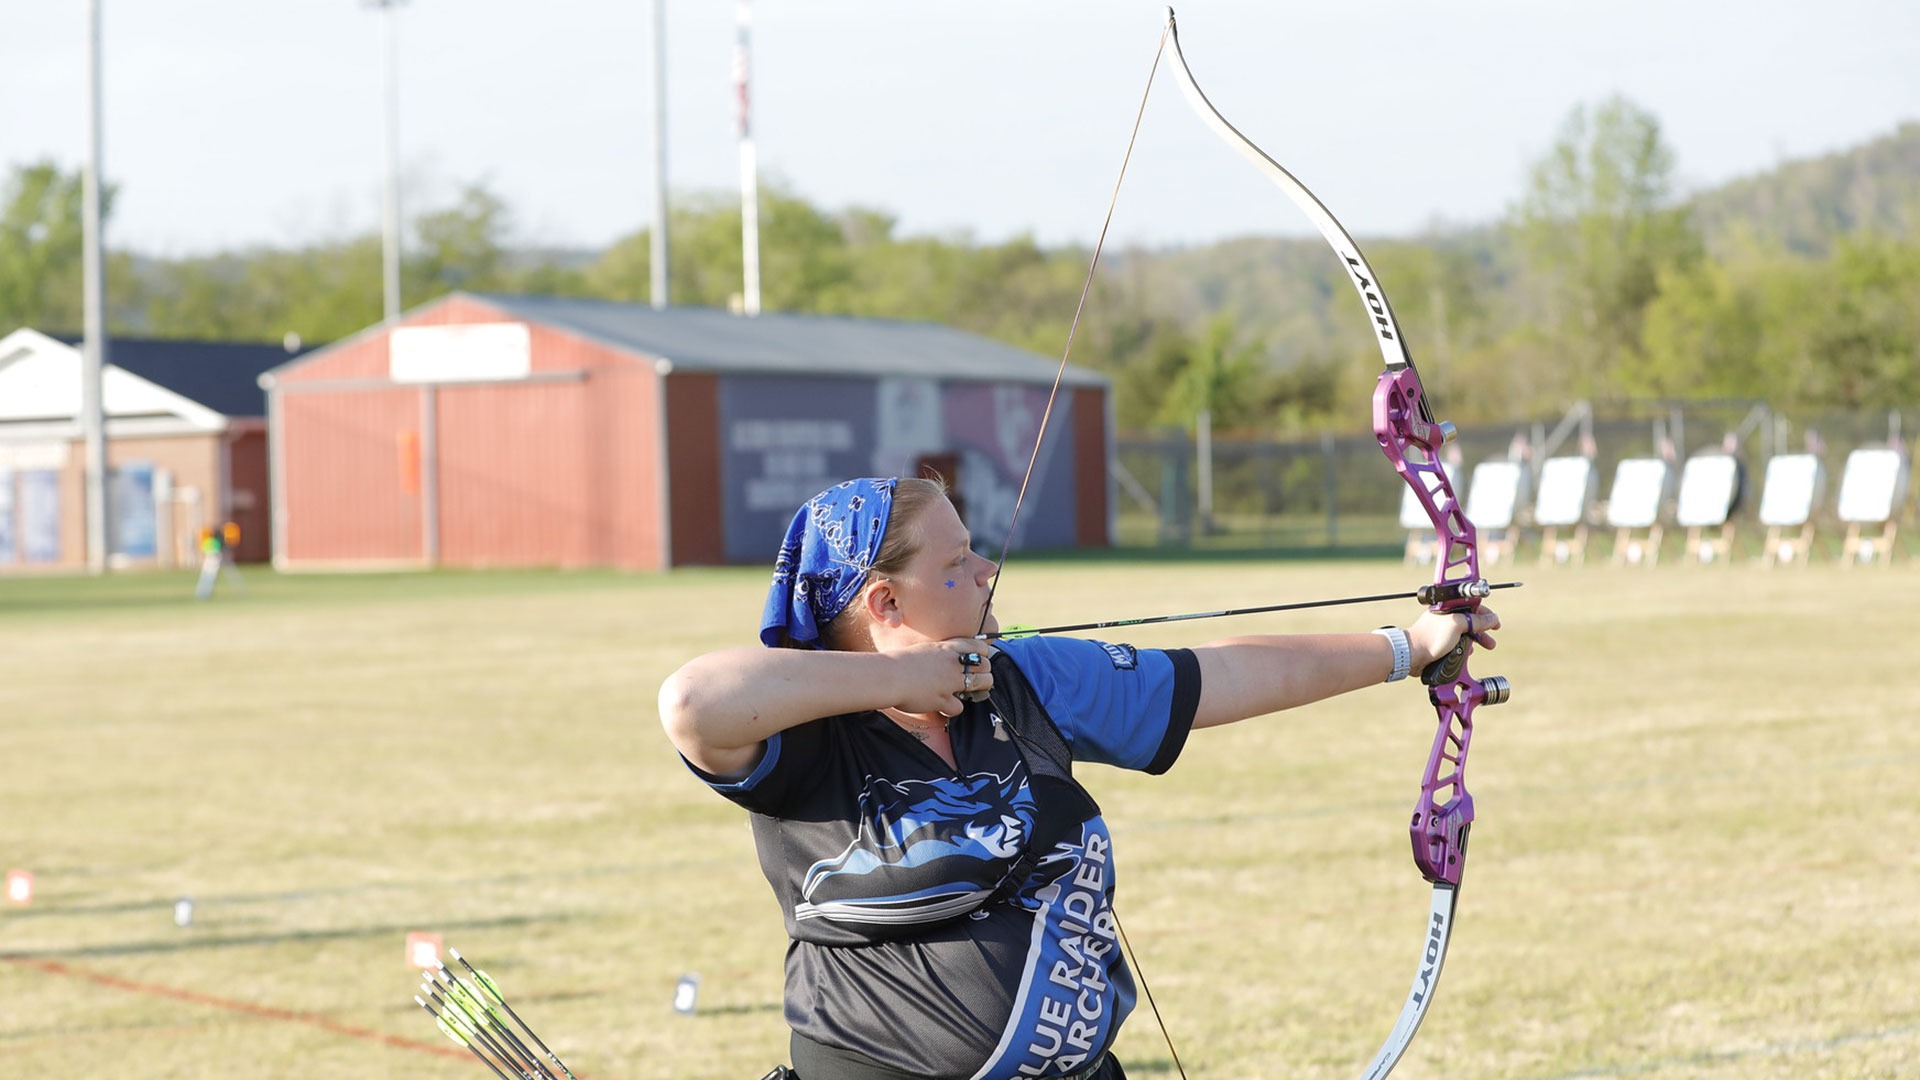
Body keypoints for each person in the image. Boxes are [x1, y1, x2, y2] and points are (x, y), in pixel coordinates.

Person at [658, 477, 1499, 1080]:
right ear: (884, 603)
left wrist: (1408, 649)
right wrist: (896, 684)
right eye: (959, 561)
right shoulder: (803, 735)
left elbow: (1219, 676)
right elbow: (693, 701)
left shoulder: (1023, 679)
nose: (987, 570)